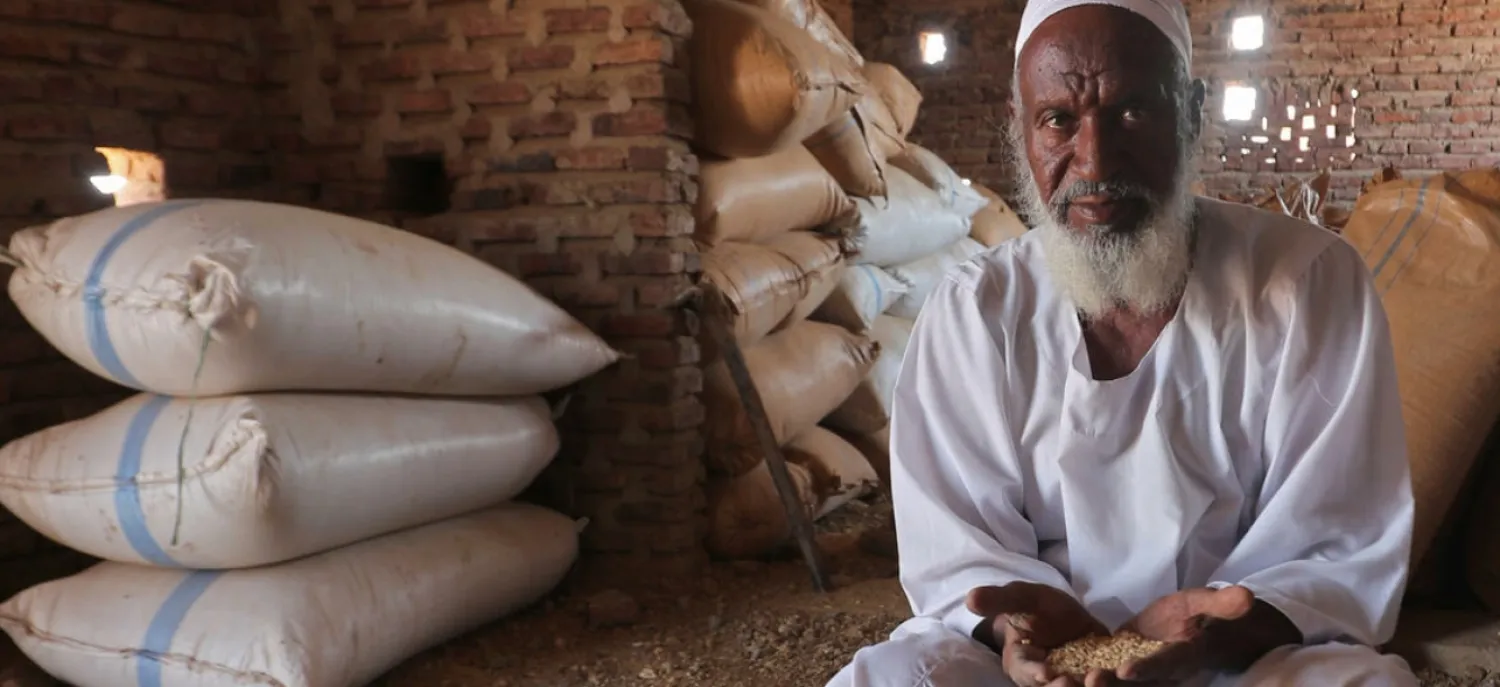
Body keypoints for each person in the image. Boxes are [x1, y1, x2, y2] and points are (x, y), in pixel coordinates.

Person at [825, 0, 1418, 685]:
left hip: (1240, 654)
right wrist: (1013, 628)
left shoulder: (1309, 281)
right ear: (1022, 131)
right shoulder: (976, 309)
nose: (1095, 160)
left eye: (1133, 112)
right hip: (1029, 669)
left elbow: (1337, 542)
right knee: (889, 675)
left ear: (1191, 113)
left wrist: (1212, 634)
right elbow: (957, 548)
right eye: (1059, 121)